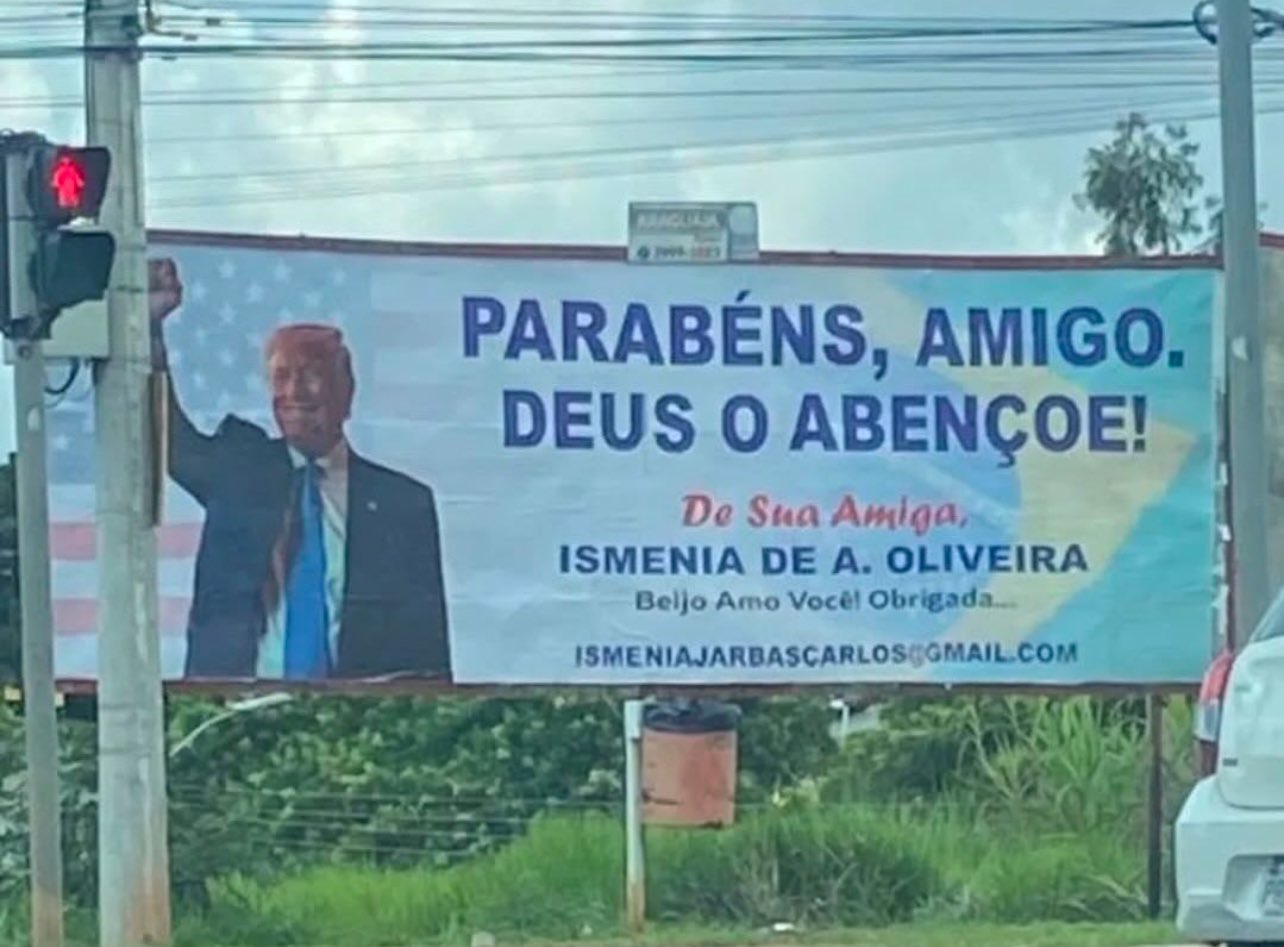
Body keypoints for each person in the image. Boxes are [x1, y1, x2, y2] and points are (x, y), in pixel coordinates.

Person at [149, 256, 451, 681]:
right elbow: (169, 440)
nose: (295, 393)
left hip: (358, 717)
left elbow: (427, 655)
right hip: (238, 708)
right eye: (282, 377)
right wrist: (149, 332)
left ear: (346, 389)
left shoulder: (403, 503)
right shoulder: (239, 471)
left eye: (311, 376)